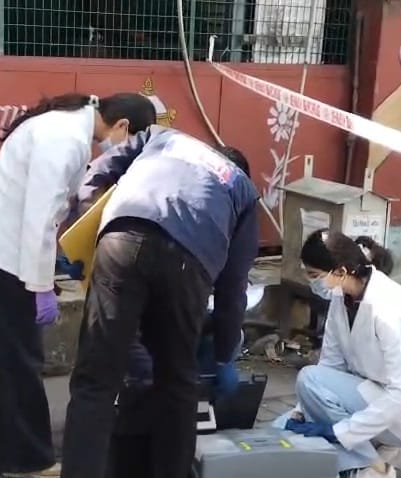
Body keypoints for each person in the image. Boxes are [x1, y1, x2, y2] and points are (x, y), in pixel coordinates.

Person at [0, 92, 156, 477]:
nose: (124, 150)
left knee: (3, 358)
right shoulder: (64, 138)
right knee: (19, 359)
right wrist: (39, 286)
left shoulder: (70, 127)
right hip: (5, 254)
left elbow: (54, 207)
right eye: (130, 140)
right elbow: (40, 217)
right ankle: (28, 461)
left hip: (1, 249)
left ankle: (0, 451)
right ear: (121, 125)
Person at [61, 128, 260, 478]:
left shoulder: (162, 137)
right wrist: (224, 355)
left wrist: (85, 228)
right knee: (177, 385)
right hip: (188, 263)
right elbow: (233, 288)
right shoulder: (242, 188)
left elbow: (97, 172)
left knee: (95, 381)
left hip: (121, 241)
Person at [272, 230, 401, 478]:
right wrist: (303, 409)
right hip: (371, 392)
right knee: (279, 430)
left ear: (341, 271)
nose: (312, 283)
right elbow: (330, 365)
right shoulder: (342, 298)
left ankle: (374, 466)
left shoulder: (391, 310)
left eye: (315, 275)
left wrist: (340, 433)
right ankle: (375, 447)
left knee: (309, 379)